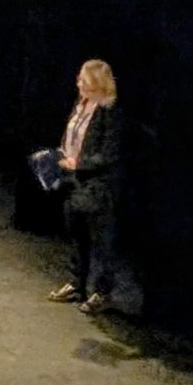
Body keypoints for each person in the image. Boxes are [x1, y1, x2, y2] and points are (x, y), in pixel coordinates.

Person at [45, 60, 124, 311]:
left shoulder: (109, 111)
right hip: (74, 181)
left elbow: (109, 154)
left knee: (101, 241)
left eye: (83, 81)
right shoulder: (81, 104)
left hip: (98, 186)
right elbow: (72, 136)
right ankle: (76, 284)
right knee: (76, 235)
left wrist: (78, 163)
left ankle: (102, 292)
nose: (78, 84)